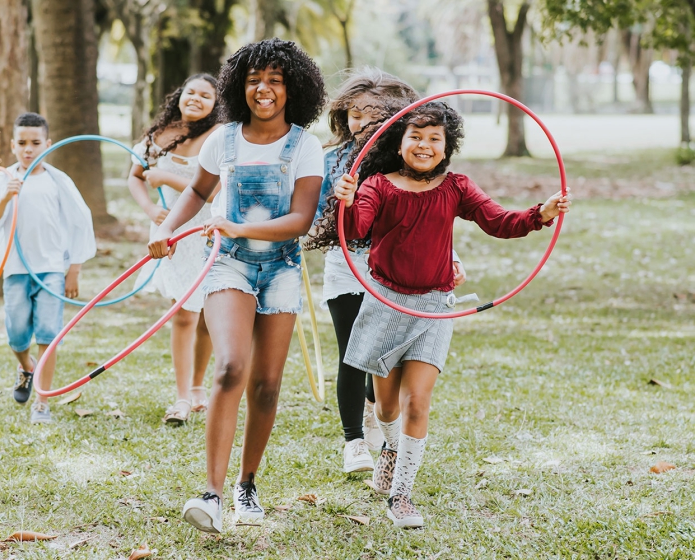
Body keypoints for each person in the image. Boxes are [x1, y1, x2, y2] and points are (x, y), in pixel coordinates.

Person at [331, 102, 570, 529]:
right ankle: (389, 447)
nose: (424, 145)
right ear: (399, 142)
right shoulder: (376, 186)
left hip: (435, 306)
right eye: (416, 137)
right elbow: (358, 229)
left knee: (417, 402)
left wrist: (540, 214)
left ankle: (401, 496)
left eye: (434, 138)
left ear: (447, 146)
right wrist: (347, 202)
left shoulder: (456, 186)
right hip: (385, 302)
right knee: (386, 408)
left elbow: (498, 220)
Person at [148, 39, 326, 533]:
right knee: (230, 366)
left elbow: (300, 219)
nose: (263, 89)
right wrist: (164, 228)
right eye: (253, 80)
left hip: (281, 270)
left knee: (266, 387)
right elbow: (198, 191)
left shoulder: (304, 145)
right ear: (238, 86)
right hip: (228, 265)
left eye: (274, 80)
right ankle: (212, 493)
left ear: (293, 87)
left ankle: (248, 484)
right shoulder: (222, 139)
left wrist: (240, 226)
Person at [305, 69, 465, 475]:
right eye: (353, 113)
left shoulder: (406, 158)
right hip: (347, 266)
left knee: (382, 358)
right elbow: (315, 215)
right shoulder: (334, 160)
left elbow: (430, 217)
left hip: (396, 271)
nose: (360, 122)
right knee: (352, 354)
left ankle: (382, 424)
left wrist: (453, 259)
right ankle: (354, 442)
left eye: (372, 113)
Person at [0, 112, 96, 424]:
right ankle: (26, 366)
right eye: (22, 143)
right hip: (16, 267)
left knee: (49, 333)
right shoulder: (3, 178)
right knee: (16, 331)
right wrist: (7, 196)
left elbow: (80, 222)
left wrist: (73, 269)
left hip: (51, 268)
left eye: (35, 143)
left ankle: (42, 401)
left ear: (48, 144)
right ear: (12, 145)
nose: (28, 149)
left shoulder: (57, 181)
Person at [127, 74, 223, 424]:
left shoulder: (218, 138)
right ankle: (183, 396)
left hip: (206, 234)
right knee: (183, 314)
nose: (196, 98)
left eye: (206, 95)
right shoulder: (159, 134)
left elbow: (213, 193)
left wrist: (166, 178)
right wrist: (152, 210)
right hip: (170, 236)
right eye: (191, 92)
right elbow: (135, 176)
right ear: (179, 95)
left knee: (207, 317)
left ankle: (198, 387)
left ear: (216, 103)